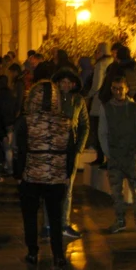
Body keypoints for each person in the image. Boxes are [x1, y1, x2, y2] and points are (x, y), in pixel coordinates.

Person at [14, 80, 73, 269]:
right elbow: (70, 152)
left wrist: (18, 173)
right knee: (56, 217)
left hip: (31, 175)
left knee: (30, 216)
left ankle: (32, 252)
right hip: (56, 177)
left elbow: (20, 150)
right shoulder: (65, 121)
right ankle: (58, 255)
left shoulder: (26, 120)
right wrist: (67, 174)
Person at [98, 76, 136, 233]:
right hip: (115, 157)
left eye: (121, 88)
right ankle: (120, 220)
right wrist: (108, 153)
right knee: (116, 193)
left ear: (126, 88)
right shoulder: (106, 108)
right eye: (114, 88)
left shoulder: (135, 108)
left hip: (131, 156)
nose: (118, 91)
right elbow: (103, 132)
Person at [45, 68, 90, 239]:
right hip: (53, 149)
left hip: (71, 150)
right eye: (61, 82)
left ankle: (64, 223)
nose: (65, 85)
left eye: (67, 82)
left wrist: (79, 147)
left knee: (68, 188)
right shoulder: (51, 100)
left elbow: (85, 125)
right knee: (50, 188)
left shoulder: (78, 100)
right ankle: (48, 224)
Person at [87, 42, 113, 166]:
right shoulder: (113, 63)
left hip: (98, 102)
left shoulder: (100, 65)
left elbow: (96, 85)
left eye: (97, 52)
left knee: (98, 130)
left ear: (101, 52)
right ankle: (107, 158)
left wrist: (88, 95)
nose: (95, 54)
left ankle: (100, 157)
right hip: (111, 102)